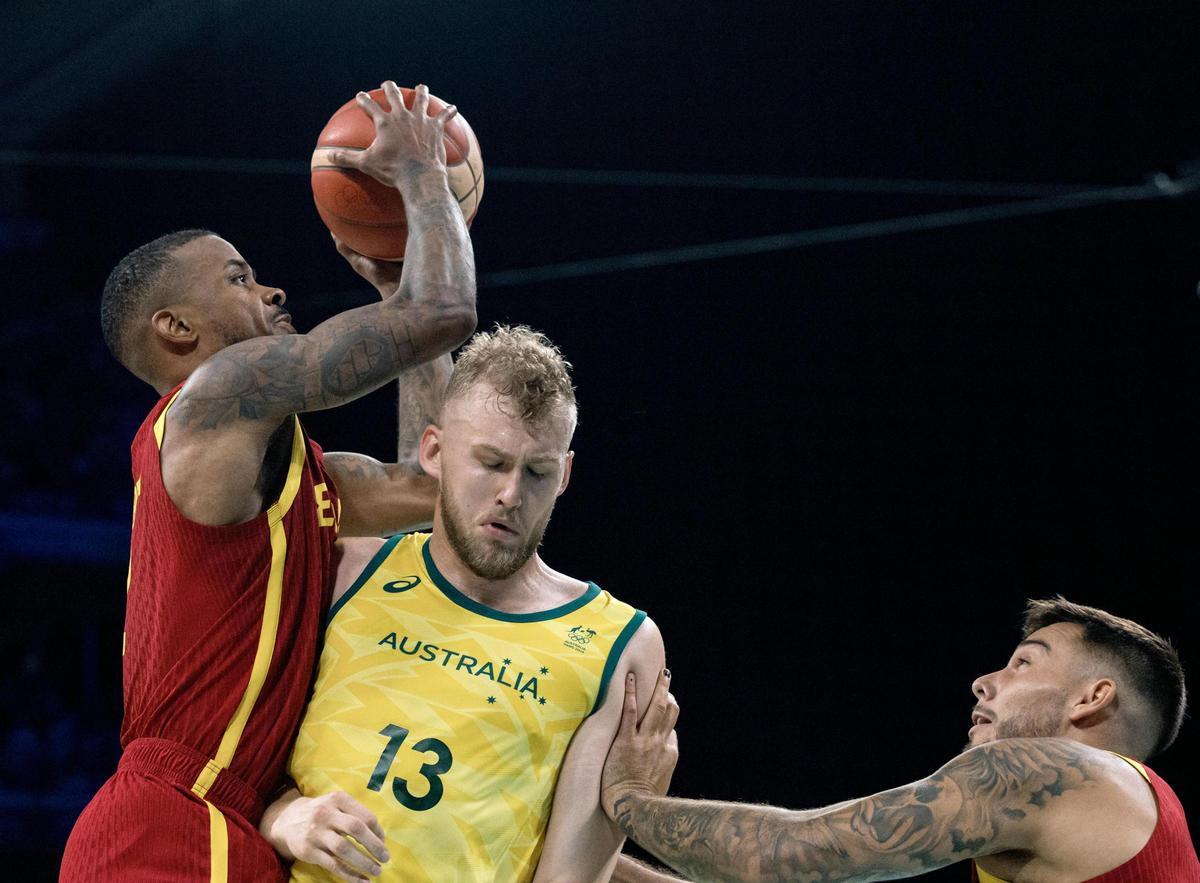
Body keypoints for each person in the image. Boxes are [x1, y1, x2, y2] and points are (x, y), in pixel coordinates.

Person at [60, 82, 477, 882]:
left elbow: (440, 493)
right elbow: (448, 310)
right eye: (238, 278)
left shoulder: (295, 474)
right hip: (166, 820)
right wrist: (424, 175)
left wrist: (395, 287)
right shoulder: (214, 394)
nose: (272, 290)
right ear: (177, 329)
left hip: (243, 821)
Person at [258, 326, 668, 882]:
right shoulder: (347, 570)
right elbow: (236, 760)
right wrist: (286, 816)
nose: (511, 494)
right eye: (492, 463)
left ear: (565, 474)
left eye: (538, 472)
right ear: (433, 451)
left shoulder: (618, 647)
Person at [600, 597, 1199, 882]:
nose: (984, 682)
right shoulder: (1101, 823)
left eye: (1022, 664)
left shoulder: (1052, 774)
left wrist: (626, 798)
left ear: (1091, 698)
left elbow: (788, 852)